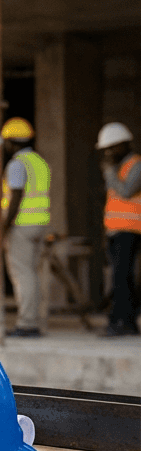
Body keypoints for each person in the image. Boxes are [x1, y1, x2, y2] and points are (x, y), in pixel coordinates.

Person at [0, 117, 51, 338]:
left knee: (23, 274)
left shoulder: (17, 164)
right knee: (32, 273)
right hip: (40, 223)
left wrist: (3, 226)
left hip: (21, 224)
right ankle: (32, 319)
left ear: (11, 142)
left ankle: (27, 323)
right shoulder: (40, 162)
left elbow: (16, 196)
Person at [98, 122, 141, 337]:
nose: (108, 153)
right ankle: (128, 322)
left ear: (124, 144)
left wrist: (109, 172)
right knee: (121, 278)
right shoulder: (118, 167)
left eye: (112, 148)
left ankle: (120, 321)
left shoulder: (136, 165)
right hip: (115, 230)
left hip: (130, 230)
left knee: (121, 278)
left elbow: (125, 191)